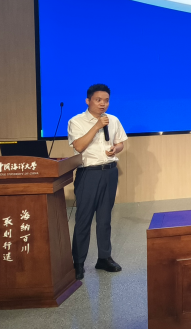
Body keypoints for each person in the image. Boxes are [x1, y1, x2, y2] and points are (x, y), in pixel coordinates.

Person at [67, 83, 127, 280]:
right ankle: (78, 263)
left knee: (105, 218)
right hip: (88, 173)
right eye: (98, 100)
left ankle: (104, 258)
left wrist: (116, 149)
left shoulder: (113, 120)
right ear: (88, 101)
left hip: (109, 172)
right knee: (83, 219)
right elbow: (79, 146)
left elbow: (120, 143)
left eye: (106, 100)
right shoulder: (76, 121)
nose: (103, 104)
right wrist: (96, 126)